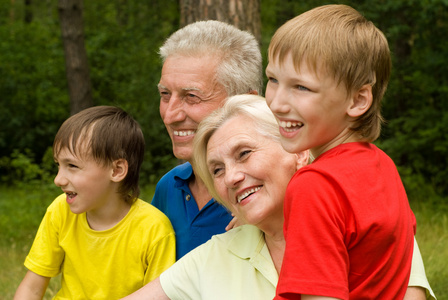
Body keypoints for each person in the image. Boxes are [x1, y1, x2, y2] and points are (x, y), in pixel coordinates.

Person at [121, 95, 435, 300]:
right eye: (217, 170)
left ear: (298, 152)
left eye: (244, 154)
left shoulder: (372, 226)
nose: (231, 177)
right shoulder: (216, 255)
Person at [265, 5, 417, 299]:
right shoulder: (383, 166)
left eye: (301, 87)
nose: (276, 103)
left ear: (358, 100)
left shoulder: (316, 185)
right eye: (273, 80)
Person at [14, 106, 176, 299]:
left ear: (116, 170)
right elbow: (32, 287)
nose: (58, 179)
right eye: (59, 165)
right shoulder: (60, 210)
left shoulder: (154, 228)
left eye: (72, 166)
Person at [152, 19, 263, 259]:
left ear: (246, 100)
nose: (170, 115)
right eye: (164, 94)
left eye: (191, 96)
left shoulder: (272, 192)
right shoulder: (168, 187)